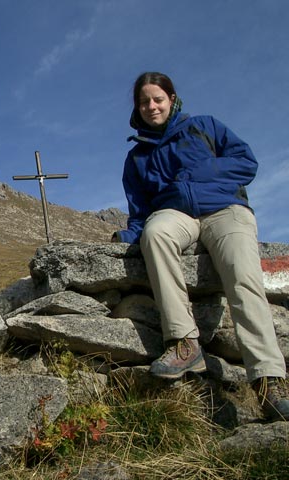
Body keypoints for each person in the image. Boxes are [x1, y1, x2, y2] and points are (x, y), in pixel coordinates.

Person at [112, 71, 289, 421]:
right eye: (144, 101)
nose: (151, 106)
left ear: (172, 99)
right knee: (155, 234)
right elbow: (140, 212)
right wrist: (126, 238)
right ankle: (184, 342)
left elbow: (245, 162)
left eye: (157, 99)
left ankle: (269, 380)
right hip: (175, 213)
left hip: (226, 208)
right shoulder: (137, 158)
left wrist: (195, 178)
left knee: (241, 275)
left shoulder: (205, 126)